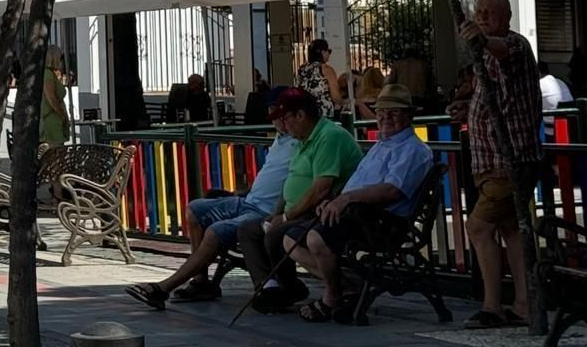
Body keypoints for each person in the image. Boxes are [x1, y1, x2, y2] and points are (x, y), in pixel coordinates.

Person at [125, 88, 302, 311]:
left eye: (281, 116)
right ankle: (201, 281)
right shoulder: (281, 137)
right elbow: (272, 173)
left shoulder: (301, 140)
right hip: (248, 200)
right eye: (273, 114)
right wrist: (246, 191)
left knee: (216, 231)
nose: (277, 121)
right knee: (195, 209)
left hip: (263, 211)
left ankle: (163, 288)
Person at [281, 84, 435, 322]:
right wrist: (333, 201)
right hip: (355, 213)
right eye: (382, 111)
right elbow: (355, 183)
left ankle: (331, 297)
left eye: (394, 112)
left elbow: (391, 191)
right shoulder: (382, 144)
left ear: (409, 115)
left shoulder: (413, 150)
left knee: (315, 238)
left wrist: (346, 199)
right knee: (290, 239)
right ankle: (347, 287)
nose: (385, 117)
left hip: (382, 222)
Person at [450, 0, 543, 330]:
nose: (483, 16)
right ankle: (523, 302)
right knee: (510, 229)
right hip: (491, 161)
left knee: (478, 226)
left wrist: (482, 38)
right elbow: (494, 94)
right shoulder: (484, 54)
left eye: (491, 12)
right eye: (480, 12)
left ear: (507, 16)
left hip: (511, 159)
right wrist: (468, 107)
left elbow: (502, 51)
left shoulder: (514, 45)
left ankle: (493, 306)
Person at [242, 87, 363, 313]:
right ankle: (270, 287)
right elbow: (290, 182)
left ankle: (294, 289)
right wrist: (277, 213)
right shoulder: (302, 138)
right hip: (297, 210)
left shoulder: (329, 136)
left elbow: (321, 189)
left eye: (286, 119)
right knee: (249, 230)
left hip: (323, 211)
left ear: (300, 115)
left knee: (276, 235)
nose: (284, 126)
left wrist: (286, 217)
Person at [298, 39, 343, 117]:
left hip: (305, 112)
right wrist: (346, 102)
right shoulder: (326, 69)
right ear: (323, 52)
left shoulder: (302, 68)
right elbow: (336, 97)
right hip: (323, 113)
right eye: (329, 51)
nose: (329, 54)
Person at [41, 45, 70, 149]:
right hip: (52, 122)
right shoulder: (47, 74)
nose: (61, 61)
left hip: (55, 121)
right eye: (60, 57)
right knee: (55, 154)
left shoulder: (51, 74)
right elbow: (51, 98)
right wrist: (62, 115)